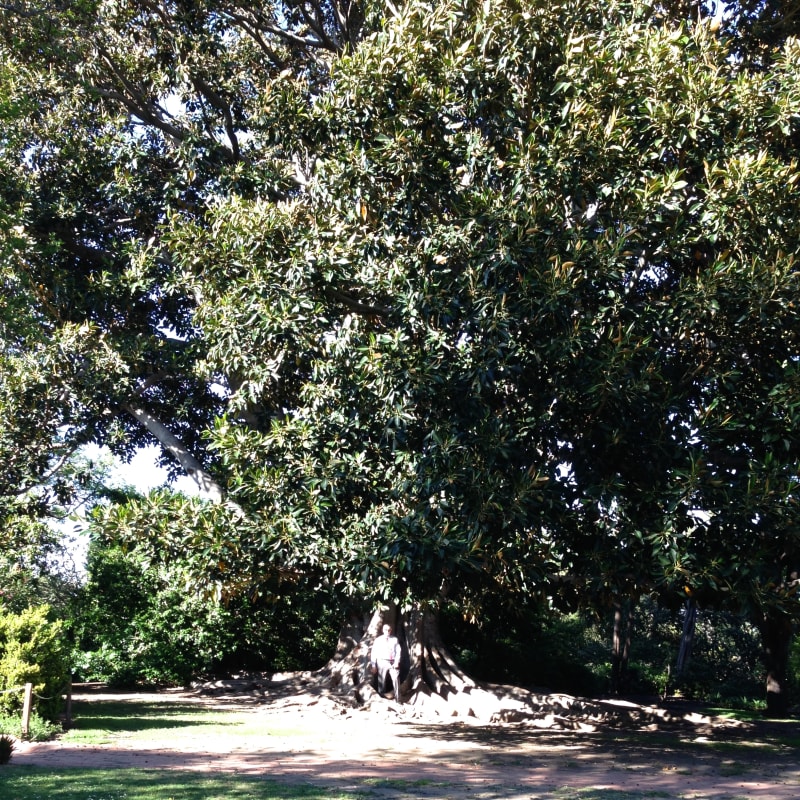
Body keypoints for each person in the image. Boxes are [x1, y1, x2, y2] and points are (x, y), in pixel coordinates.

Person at [370, 623, 401, 702]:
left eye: (389, 630)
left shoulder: (394, 639)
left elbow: (398, 651)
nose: (387, 631)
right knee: (381, 681)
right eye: (386, 630)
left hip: (393, 662)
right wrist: (373, 665)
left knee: (396, 679)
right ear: (383, 630)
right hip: (382, 661)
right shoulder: (378, 640)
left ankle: (398, 700)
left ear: (391, 630)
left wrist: (397, 661)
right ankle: (382, 699)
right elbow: (374, 652)